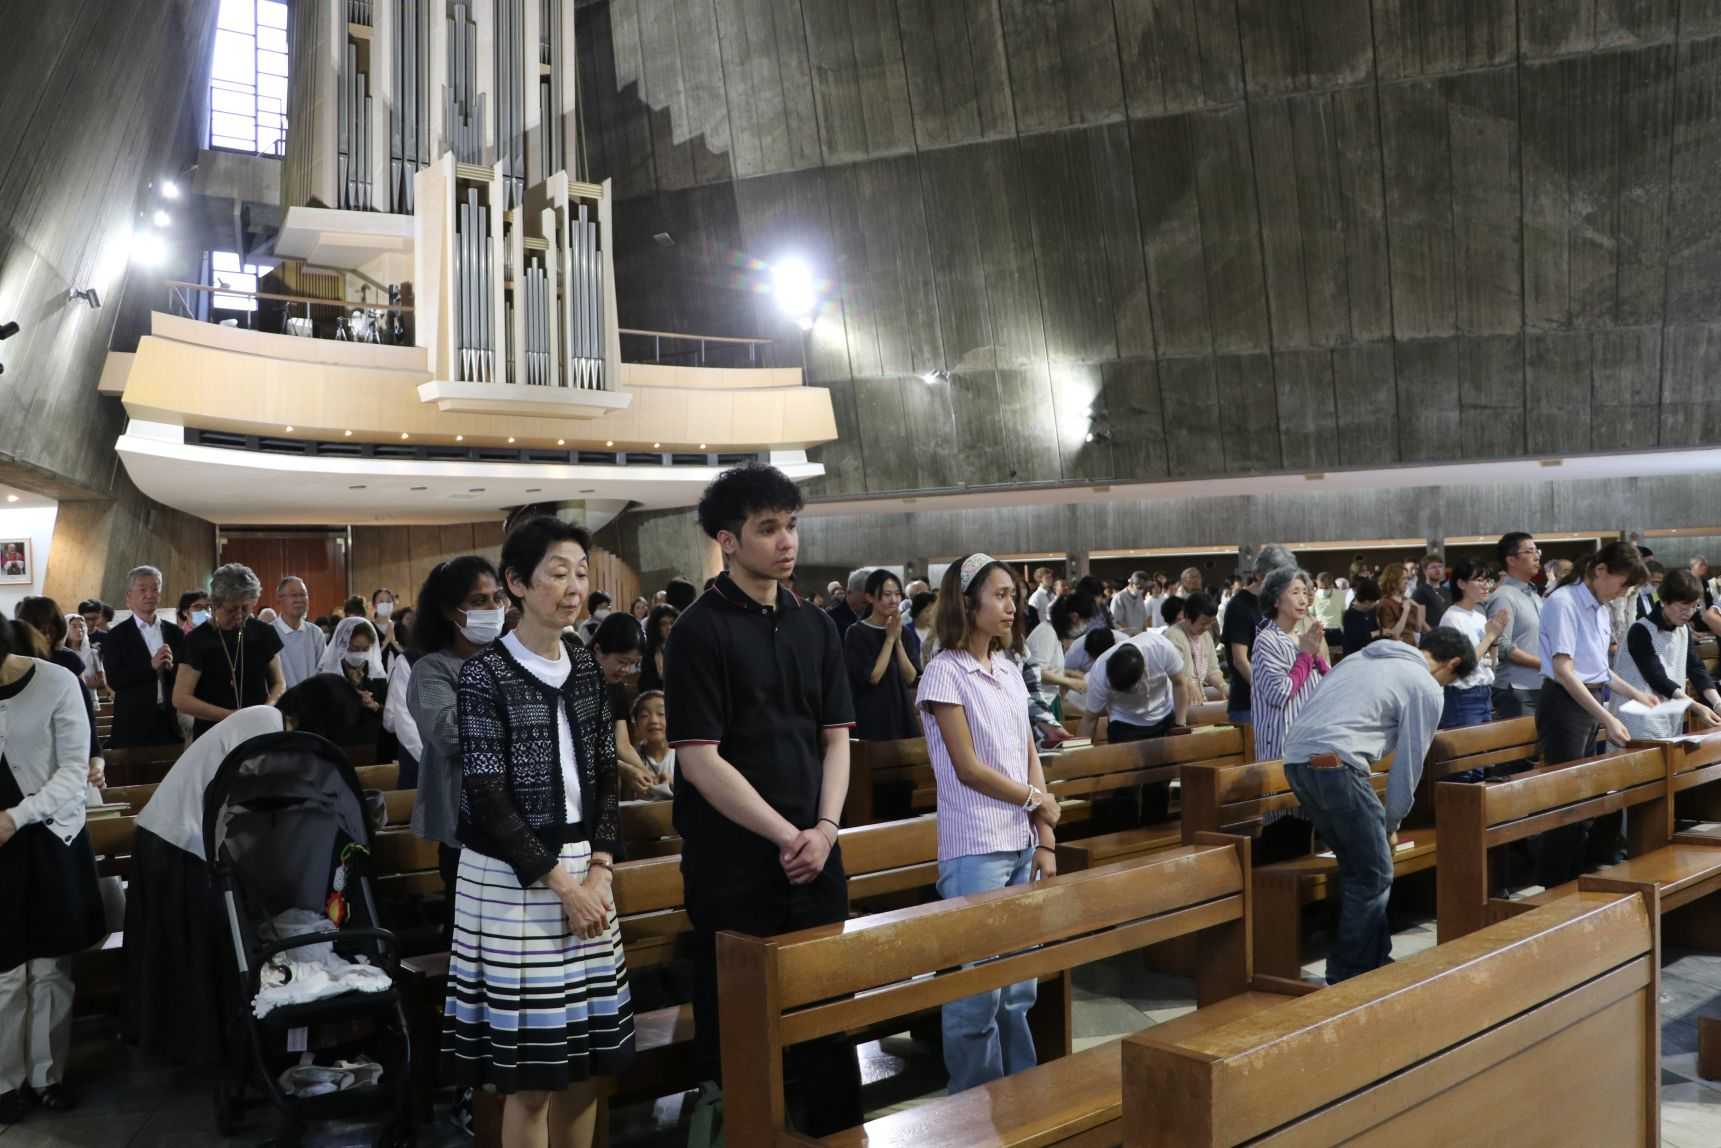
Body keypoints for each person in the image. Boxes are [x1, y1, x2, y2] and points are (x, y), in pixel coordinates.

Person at [663, 463, 862, 1133]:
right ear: (727, 540)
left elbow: (836, 739)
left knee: (828, 1024)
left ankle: (836, 1137)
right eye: (768, 528)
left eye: (791, 525)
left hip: (817, 855)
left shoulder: (815, 626)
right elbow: (699, 759)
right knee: (741, 1039)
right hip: (735, 866)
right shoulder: (697, 631)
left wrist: (826, 829)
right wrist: (787, 835)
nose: (787, 541)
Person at [446, 516, 633, 1146]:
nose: (574, 587)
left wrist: (600, 869)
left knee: (585, 1069)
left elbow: (606, 775)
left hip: (586, 871)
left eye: (581, 573)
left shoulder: (584, 664)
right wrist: (565, 886)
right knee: (531, 1079)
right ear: (518, 583)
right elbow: (488, 796)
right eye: (558, 573)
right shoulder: (484, 673)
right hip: (512, 882)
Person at [124, 675, 366, 1067]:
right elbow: (246, 795)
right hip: (176, 838)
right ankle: (198, 1049)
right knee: (192, 946)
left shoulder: (277, 730)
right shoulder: (264, 722)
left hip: (194, 837)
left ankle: (215, 1047)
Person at [917, 554, 1058, 1093]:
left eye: (1013, 596)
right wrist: (1036, 800)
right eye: (1000, 595)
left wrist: (1044, 835)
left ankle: (1020, 1099)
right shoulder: (945, 671)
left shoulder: (1007, 668)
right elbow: (968, 767)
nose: (1011, 606)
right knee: (976, 992)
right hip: (975, 845)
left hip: (1021, 839)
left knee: (1018, 989)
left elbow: (1028, 752)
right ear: (966, 601)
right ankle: (974, 1105)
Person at [1279, 629, 1474, 983]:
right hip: (1336, 766)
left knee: (1361, 866)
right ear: (1452, 663)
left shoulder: (1359, 658)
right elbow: (1409, 766)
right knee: (1375, 872)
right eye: (1450, 680)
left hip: (1296, 763)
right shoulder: (1425, 685)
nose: (1444, 687)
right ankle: (1350, 974)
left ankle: (1375, 958)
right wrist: (1392, 823)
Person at [0, 619, 103, 1123]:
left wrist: (15, 817)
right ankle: (6, 1082)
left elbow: (73, 772)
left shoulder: (57, 682)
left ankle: (47, 1075)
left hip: (49, 836)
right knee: (5, 972)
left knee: (49, 967)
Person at [1536, 541, 1660, 886]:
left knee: (1585, 798)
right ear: (1600, 570)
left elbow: (1600, 670)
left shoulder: (1600, 607)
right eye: (1622, 584)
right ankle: (1554, 883)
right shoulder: (1564, 602)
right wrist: (1607, 717)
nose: (1622, 593)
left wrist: (1636, 694)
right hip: (1564, 703)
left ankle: (1575, 877)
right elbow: (1564, 670)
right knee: (1566, 801)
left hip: (1586, 701)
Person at [409, 557, 508, 937]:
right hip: (465, 827)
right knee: (472, 939)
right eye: (479, 601)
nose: (493, 608)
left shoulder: (513, 660)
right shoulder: (433, 669)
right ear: (451, 610)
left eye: (497, 598)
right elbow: (450, 735)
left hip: (523, 821)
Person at [1080, 619, 1188, 821]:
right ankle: (1124, 829)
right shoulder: (1099, 673)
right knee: (1125, 786)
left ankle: (1154, 831)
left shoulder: (1159, 647)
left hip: (1162, 715)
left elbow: (1180, 683)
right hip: (1125, 724)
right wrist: (1081, 759)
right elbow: (1089, 719)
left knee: (1159, 785)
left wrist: (1180, 724)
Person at [174, 564, 286, 739]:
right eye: (232, 609)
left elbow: (278, 682)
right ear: (215, 604)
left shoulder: (263, 633)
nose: (239, 615)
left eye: (245, 608)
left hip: (258, 728)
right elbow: (181, 699)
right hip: (213, 732)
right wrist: (231, 716)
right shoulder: (197, 640)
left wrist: (268, 707)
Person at [1610, 569, 1721, 744]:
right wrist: (1695, 706)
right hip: (1637, 718)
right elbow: (1656, 677)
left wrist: (1717, 702)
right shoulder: (1641, 630)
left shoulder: (1683, 629)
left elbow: (1696, 668)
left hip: (1668, 714)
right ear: (1664, 601)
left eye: (1695, 606)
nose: (1689, 613)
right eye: (1683, 607)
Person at [14, 600, 103, 794]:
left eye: (51, 631)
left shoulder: (68, 662)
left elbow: (89, 731)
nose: (46, 637)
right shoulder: (14, 666)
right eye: (40, 630)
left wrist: (97, 767)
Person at [107, 568, 188, 748]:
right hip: (132, 723)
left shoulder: (175, 633)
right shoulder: (116, 635)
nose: (150, 594)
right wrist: (150, 666)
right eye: (143, 589)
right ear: (129, 596)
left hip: (169, 722)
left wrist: (172, 668)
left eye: (155, 589)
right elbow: (114, 680)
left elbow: (184, 676)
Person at [1221, 545, 1297, 727]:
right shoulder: (1240, 606)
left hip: (1282, 699)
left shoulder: (1278, 604)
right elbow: (1240, 661)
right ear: (1261, 576)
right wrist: (1270, 691)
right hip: (1249, 705)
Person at [844, 569, 920, 741]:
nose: (893, 600)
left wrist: (898, 641)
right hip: (871, 717)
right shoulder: (856, 633)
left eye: (897, 594)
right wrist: (889, 639)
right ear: (870, 597)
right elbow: (873, 677)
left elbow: (910, 677)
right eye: (887, 594)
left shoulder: (904, 633)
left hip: (901, 715)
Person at [1437, 560, 1510, 737]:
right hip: (1463, 696)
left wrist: (1495, 638)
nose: (1486, 586)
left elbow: (1492, 664)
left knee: (1484, 750)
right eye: (1479, 580)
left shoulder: (1479, 616)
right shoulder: (1452, 618)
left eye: (1488, 580)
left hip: (1484, 693)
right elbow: (1464, 663)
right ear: (1461, 584)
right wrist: (1490, 636)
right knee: (1469, 751)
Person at [588, 613, 653, 798]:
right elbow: (578, 748)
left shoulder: (615, 686)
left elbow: (622, 743)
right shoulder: (576, 682)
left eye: (632, 664)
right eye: (622, 662)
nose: (626, 670)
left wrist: (648, 776)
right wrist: (622, 769)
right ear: (598, 649)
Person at [1486, 532, 1545, 719]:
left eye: (1537, 551)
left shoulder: (1534, 595)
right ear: (1511, 560)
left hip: (1541, 685)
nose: (1536, 556)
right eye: (1529, 551)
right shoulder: (1504, 596)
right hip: (1517, 689)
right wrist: (1544, 664)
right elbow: (1502, 647)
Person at [316, 616, 389, 752]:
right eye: (354, 648)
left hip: (371, 742)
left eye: (365, 649)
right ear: (342, 645)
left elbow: (389, 712)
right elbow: (320, 712)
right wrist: (350, 696)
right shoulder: (329, 673)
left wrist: (374, 705)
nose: (360, 654)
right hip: (337, 743)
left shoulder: (377, 674)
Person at [1164, 593, 1224, 702]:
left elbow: (1212, 670)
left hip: (1196, 694)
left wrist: (1222, 686)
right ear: (1187, 617)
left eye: (1211, 623)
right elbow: (1175, 673)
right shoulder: (1173, 636)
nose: (1207, 627)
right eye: (1203, 623)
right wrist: (1190, 684)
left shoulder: (1205, 636)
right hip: (1175, 697)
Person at [271, 576, 326, 689]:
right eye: (294, 595)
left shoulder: (315, 633)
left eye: (303, 595)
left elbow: (324, 670)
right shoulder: (269, 632)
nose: (299, 600)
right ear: (279, 599)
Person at [630, 691, 674, 799]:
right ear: (636, 724)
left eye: (661, 713)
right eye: (644, 715)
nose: (653, 720)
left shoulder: (683, 756)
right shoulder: (631, 758)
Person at [1375, 562, 1423, 646]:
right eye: (1403, 579)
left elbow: (1418, 629)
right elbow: (1394, 635)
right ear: (1393, 581)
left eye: (1407, 578)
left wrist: (1418, 608)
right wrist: (1405, 611)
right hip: (1398, 649)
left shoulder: (1406, 600)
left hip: (1412, 646)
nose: (1407, 582)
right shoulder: (1385, 603)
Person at [638, 604, 677, 694]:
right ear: (656, 627)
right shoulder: (649, 652)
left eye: (672, 623)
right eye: (663, 624)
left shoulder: (682, 648)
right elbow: (646, 686)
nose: (669, 627)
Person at [60, 615, 103, 696]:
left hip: (90, 698)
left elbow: (101, 680)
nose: (79, 630)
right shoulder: (61, 655)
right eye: (74, 627)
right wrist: (85, 681)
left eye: (82, 626)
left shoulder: (93, 653)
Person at [1341, 577, 1383, 657]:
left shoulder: (1371, 610)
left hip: (1371, 653)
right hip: (1355, 656)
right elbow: (1358, 638)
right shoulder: (1350, 615)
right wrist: (1378, 632)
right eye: (1374, 602)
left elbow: (1374, 629)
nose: (1376, 604)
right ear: (1367, 602)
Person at [1411, 553, 1450, 630]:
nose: (1438, 570)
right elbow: (1421, 620)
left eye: (1440, 566)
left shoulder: (1447, 591)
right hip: (1433, 634)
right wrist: (1432, 633)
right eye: (1433, 567)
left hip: (1449, 632)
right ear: (1425, 571)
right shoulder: (1421, 591)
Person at [827, 568, 868, 638]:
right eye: (864, 602)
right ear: (849, 592)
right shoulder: (831, 618)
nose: (869, 600)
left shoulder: (872, 614)